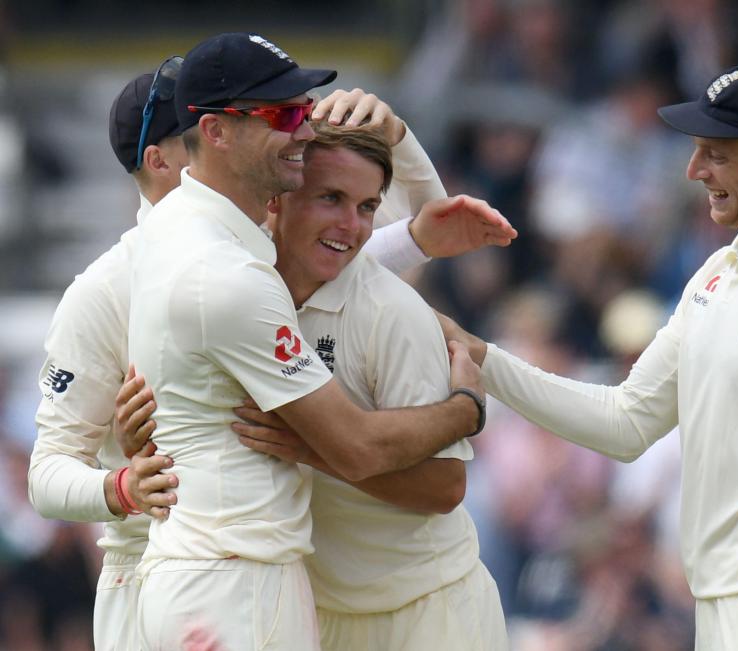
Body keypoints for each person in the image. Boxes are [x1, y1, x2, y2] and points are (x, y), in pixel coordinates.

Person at [29, 51, 515, 651]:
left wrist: (410, 222)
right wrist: (122, 485)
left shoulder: (216, 242)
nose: (301, 137)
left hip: (235, 575)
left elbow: (312, 271)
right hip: (190, 576)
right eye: (279, 118)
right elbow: (45, 473)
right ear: (189, 147)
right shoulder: (119, 287)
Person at [440, 59, 738, 650]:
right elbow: (627, 420)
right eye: (698, 151)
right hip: (721, 608)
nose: (695, 170)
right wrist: (481, 356)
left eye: (718, 153)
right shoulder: (720, 271)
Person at [142, 121, 510, 649]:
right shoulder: (240, 291)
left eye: (366, 207)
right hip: (319, 610)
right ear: (278, 200)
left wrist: (313, 448)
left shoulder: (395, 314)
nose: (351, 226)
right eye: (331, 198)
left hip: (431, 609)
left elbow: (446, 487)